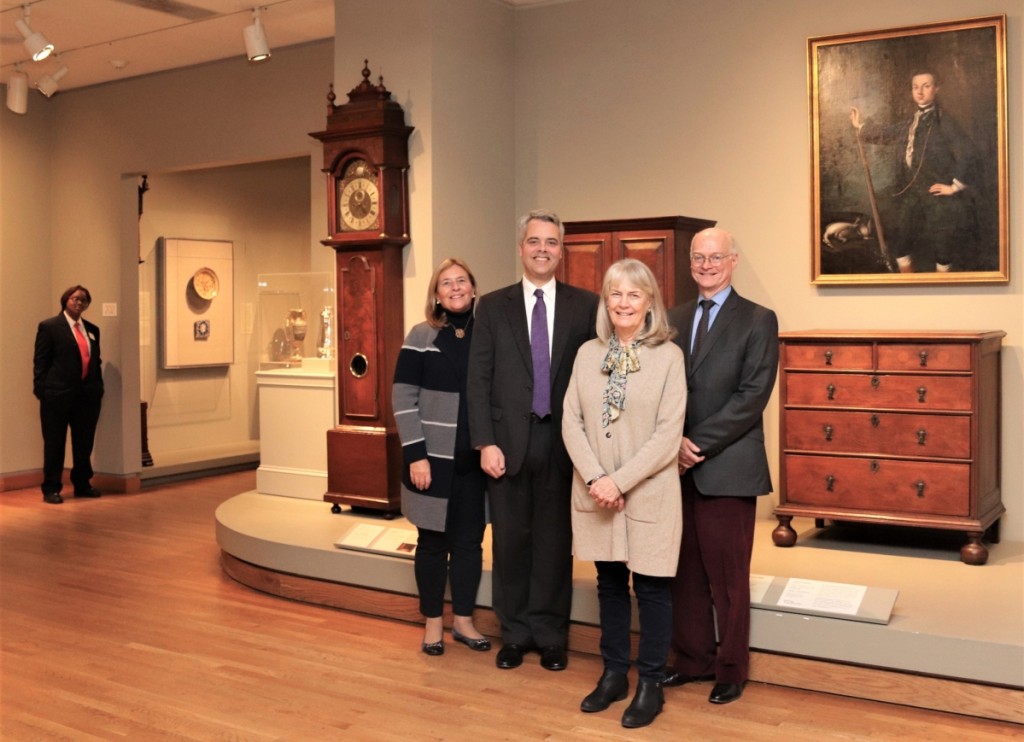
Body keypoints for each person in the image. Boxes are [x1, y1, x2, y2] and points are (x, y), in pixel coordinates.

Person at [467, 209, 600, 672]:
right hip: (506, 445)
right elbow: (478, 378)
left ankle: (550, 635)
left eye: (551, 242)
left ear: (562, 251)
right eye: (534, 241)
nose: (542, 249)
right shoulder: (494, 306)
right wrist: (484, 441)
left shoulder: (586, 306)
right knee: (509, 543)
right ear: (520, 248)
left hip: (563, 445)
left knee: (554, 543)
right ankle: (515, 633)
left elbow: (596, 381)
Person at [562, 259, 686, 729]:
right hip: (597, 494)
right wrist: (597, 479)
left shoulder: (668, 358)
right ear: (606, 301)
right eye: (615, 293)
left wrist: (620, 481)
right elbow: (571, 420)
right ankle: (614, 673)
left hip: (648, 492)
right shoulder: (586, 354)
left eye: (634, 294)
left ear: (650, 301)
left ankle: (650, 684)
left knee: (652, 589)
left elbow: (667, 434)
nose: (624, 303)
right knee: (610, 585)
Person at [664, 228, 778, 705]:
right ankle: (692, 660)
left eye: (715, 257)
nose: (706, 265)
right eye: (698, 257)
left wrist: (696, 444)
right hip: (674, 467)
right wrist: (672, 443)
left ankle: (731, 667)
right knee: (684, 572)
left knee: (729, 576)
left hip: (727, 466)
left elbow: (752, 397)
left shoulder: (758, 319)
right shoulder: (671, 318)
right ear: (690, 262)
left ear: (732, 261)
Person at [392, 258, 490, 656]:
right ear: (436, 293)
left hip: (475, 460)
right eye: (445, 283)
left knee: (470, 544)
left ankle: (463, 621)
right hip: (431, 461)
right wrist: (416, 455)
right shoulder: (422, 335)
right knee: (432, 544)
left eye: (461, 281)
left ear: (473, 287)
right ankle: (433, 622)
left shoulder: (487, 334)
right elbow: (403, 398)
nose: (454, 288)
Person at [850, 70, 978, 272]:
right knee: (901, 244)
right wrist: (861, 126)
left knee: (943, 250)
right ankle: (906, 291)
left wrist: (954, 187)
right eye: (915, 87)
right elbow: (887, 133)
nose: (920, 91)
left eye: (926, 86)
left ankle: (943, 297)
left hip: (937, 196)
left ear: (936, 89)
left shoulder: (944, 120)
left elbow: (969, 152)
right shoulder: (912, 120)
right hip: (912, 193)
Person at [33, 285, 105, 504]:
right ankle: (51, 488)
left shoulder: (92, 329)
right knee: (54, 442)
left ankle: (82, 483)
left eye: (84, 300)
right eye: (75, 299)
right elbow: (41, 361)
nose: (79, 303)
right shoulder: (50, 327)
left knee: (84, 443)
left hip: (87, 396)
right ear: (65, 300)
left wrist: (98, 387)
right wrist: (42, 390)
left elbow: (95, 360)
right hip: (57, 395)